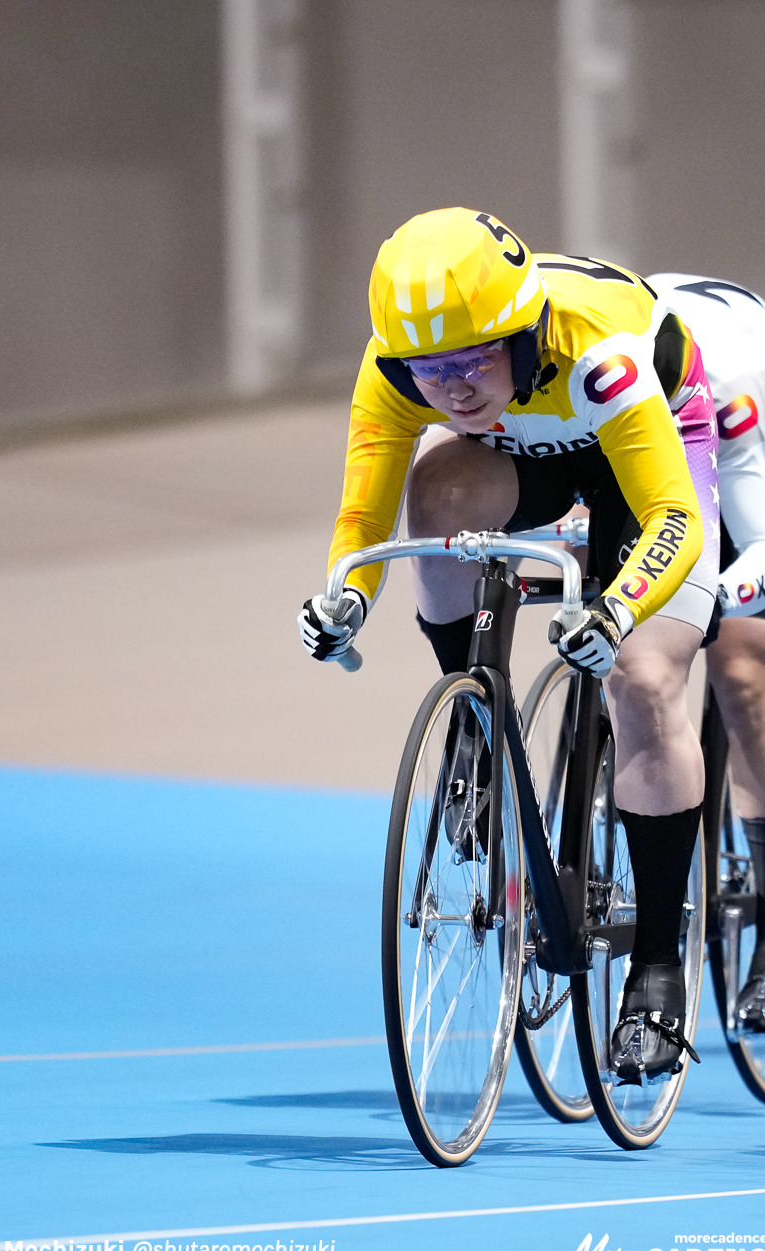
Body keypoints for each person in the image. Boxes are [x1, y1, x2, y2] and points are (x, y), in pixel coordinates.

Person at [296, 209, 720, 1083]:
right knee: (438, 486)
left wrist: (616, 612)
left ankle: (659, 965)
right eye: (430, 371)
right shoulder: (392, 369)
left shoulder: (598, 350)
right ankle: (474, 722)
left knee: (641, 678)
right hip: (532, 453)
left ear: (522, 333)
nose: (449, 388)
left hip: (652, 453)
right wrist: (347, 596)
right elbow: (365, 516)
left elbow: (675, 517)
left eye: (473, 359)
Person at [646, 272, 765, 1034]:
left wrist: (710, 604)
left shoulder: (723, 387)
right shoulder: (588, 371)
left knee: (743, 663)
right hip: (658, 451)